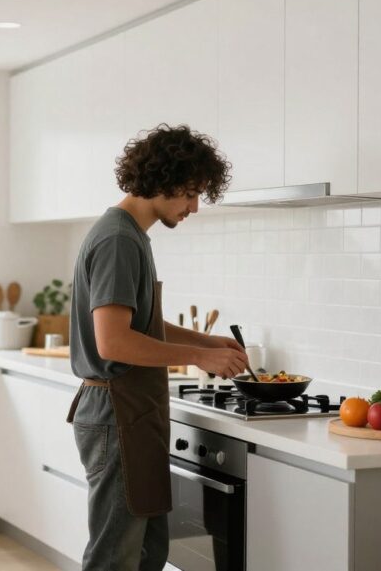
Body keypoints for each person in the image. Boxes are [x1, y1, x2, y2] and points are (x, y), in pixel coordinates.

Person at [67, 124, 249, 570]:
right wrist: (200, 356)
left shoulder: (129, 235)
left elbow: (140, 323)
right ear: (161, 180)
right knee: (115, 555)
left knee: (148, 551)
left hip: (130, 410)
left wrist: (206, 340)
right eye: (190, 193)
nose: (194, 207)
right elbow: (114, 341)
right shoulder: (118, 240)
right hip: (116, 412)